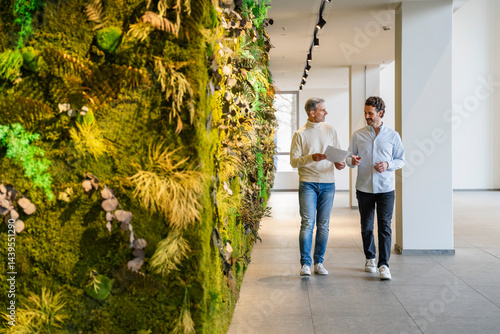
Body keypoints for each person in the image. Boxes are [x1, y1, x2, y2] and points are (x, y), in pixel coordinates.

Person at [346, 96, 405, 280]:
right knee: (366, 227)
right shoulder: (358, 135)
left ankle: (384, 265)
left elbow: (401, 159)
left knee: (384, 227)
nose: (366, 116)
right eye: (365, 112)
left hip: (386, 189)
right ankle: (370, 258)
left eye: (370, 113)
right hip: (364, 188)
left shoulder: (393, 136)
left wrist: (388, 165)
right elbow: (348, 158)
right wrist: (352, 161)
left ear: (380, 113)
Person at [290, 97, 345, 276]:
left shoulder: (330, 130)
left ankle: (318, 263)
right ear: (312, 113)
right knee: (307, 224)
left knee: (323, 225)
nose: (326, 113)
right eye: (323, 110)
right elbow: (293, 162)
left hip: (328, 183)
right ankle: (305, 264)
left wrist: (340, 163)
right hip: (307, 183)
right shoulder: (300, 134)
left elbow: (339, 155)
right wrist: (310, 158)